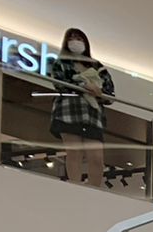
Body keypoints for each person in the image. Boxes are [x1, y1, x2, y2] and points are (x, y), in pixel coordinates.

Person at [49, 27, 114, 189]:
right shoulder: (61, 63)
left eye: (79, 38)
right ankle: (75, 187)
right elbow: (59, 83)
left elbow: (110, 93)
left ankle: (94, 189)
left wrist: (98, 92)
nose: (75, 41)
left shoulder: (97, 66)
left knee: (97, 157)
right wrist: (84, 86)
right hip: (68, 112)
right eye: (71, 38)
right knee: (74, 153)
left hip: (93, 116)